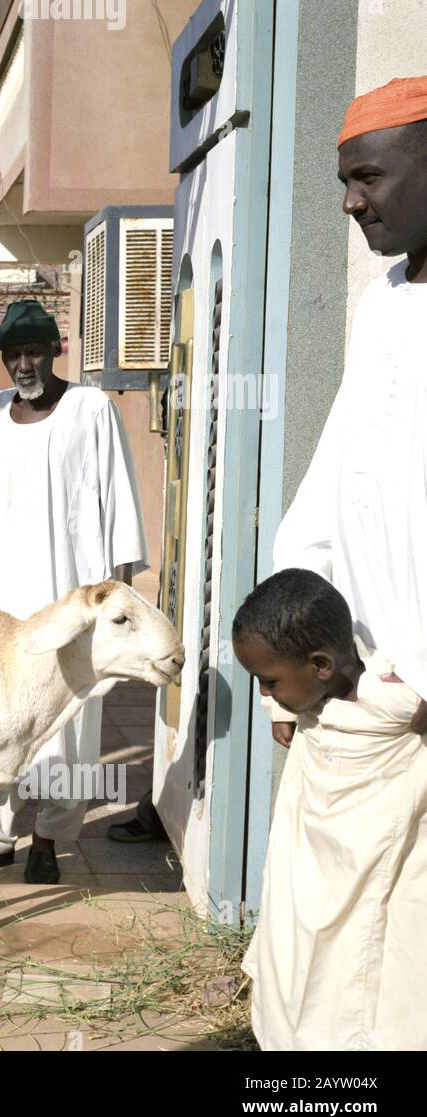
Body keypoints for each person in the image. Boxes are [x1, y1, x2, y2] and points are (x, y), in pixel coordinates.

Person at [0, 299, 147, 883]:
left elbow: (117, 496)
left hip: (72, 592)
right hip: (3, 597)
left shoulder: (89, 408)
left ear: (56, 350)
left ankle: (50, 837)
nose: (23, 363)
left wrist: (119, 595)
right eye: (13, 354)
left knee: (70, 715)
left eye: (34, 350)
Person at [270, 76, 427, 747]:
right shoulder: (382, 302)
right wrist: (289, 651)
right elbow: (336, 485)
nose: (350, 202)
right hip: (368, 692)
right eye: (344, 181)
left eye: (367, 177)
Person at [232, 569, 427, 1050]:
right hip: (305, 898)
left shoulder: (398, 717)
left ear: (320, 664)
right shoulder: (315, 713)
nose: (265, 694)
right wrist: (285, 707)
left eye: (269, 681)